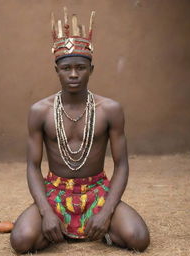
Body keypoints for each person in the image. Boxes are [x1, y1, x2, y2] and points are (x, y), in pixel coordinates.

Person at [10, 7, 150, 254]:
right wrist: (45, 211)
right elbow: (33, 166)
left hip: (98, 192)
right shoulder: (40, 111)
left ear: (91, 70)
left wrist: (106, 210)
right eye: (66, 68)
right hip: (55, 192)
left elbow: (122, 165)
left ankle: (93, 226)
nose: (73, 74)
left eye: (81, 68)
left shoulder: (110, 110)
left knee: (139, 238)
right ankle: (61, 227)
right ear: (57, 71)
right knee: (21, 241)